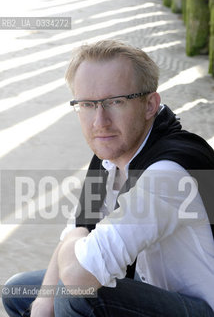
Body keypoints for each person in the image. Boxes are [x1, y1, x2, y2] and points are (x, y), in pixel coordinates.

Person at [2, 39, 214, 317]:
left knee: (78, 296)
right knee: (20, 291)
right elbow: (75, 236)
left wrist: (77, 235)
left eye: (115, 101)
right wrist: (42, 305)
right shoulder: (112, 152)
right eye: (88, 104)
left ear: (150, 104)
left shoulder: (169, 173)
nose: (99, 122)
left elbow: (80, 273)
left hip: (202, 307)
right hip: (148, 283)